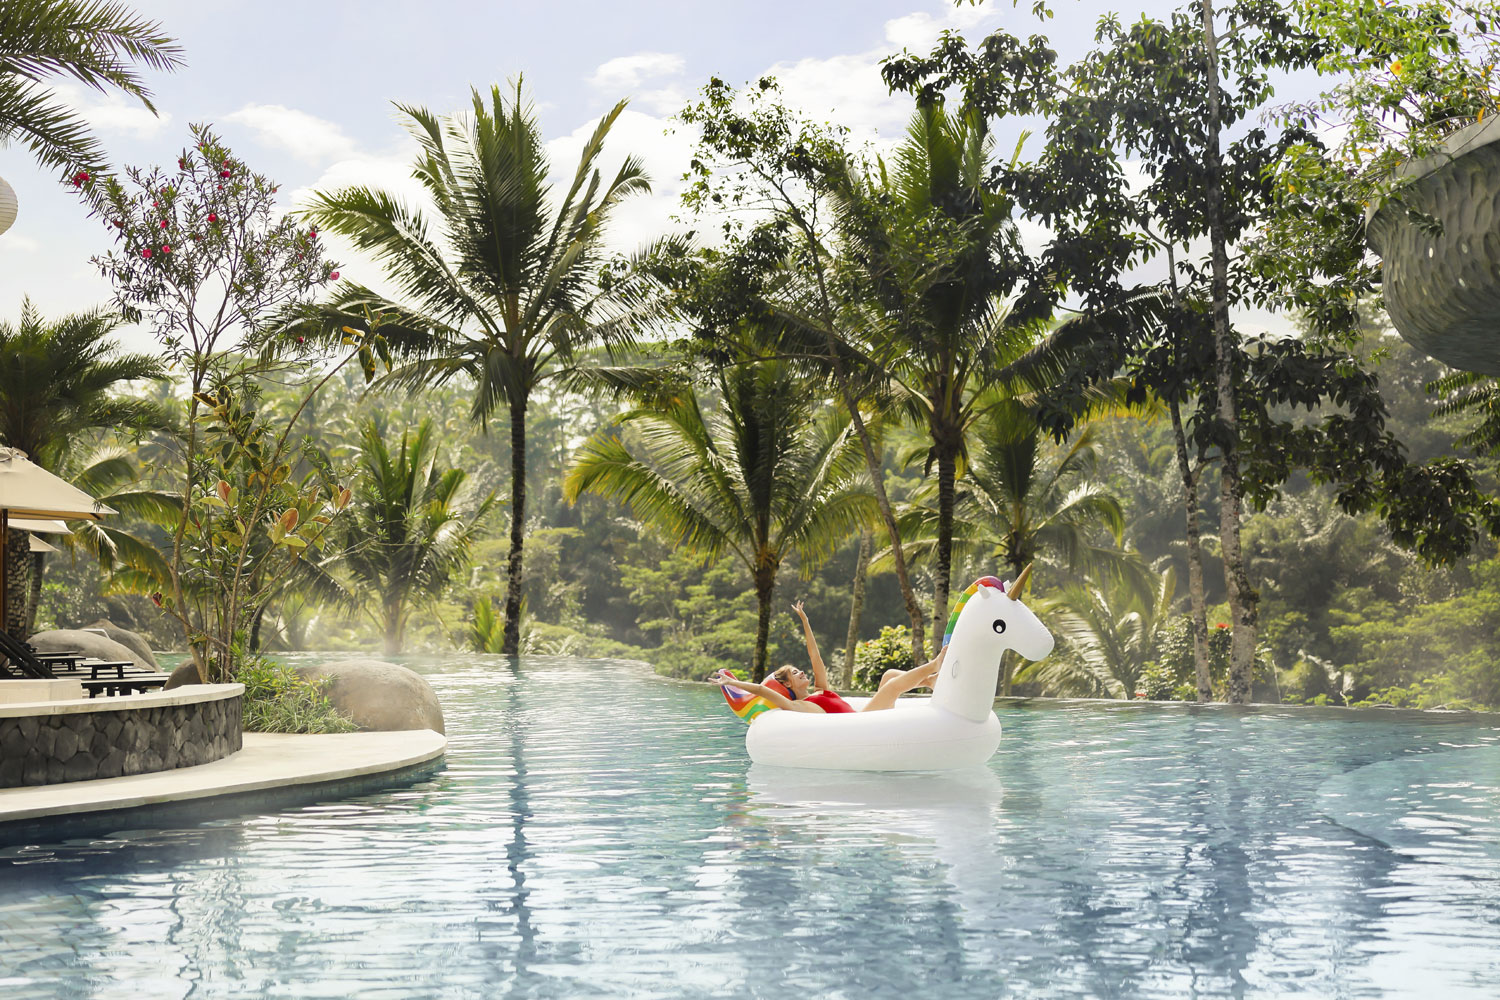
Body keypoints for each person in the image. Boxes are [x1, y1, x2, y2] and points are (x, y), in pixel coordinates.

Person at [712, 601, 945, 714]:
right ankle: (934, 665)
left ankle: (930, 681)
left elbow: (815, 656)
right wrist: (732, 683)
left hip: (866, 718)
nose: (801, 671)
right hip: (862, 725)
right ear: (786, 685)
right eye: (794, 673)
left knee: (889, 675)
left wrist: (805, 621)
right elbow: (763, 691)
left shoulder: (819, 690)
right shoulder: (798, 705)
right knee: (892, 685)